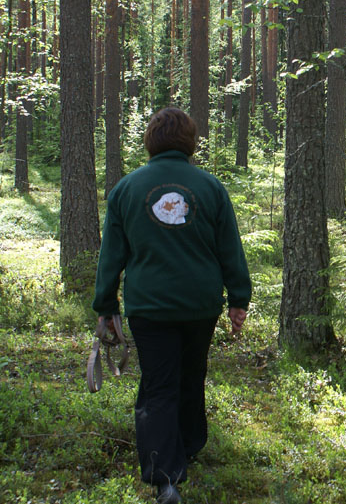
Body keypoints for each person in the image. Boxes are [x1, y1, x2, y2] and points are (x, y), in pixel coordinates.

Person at [92, 107, 251, 504]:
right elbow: (230, 248)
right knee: (191, 374)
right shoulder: (210, 187)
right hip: (200, 305)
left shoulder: (127, 189)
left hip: (150, 307)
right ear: (190, 142)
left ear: (151, 141)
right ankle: (189, 446)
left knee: (158, 385)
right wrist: (238, 299)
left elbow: (111, 256)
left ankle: (165, 476)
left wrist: (105, 305)